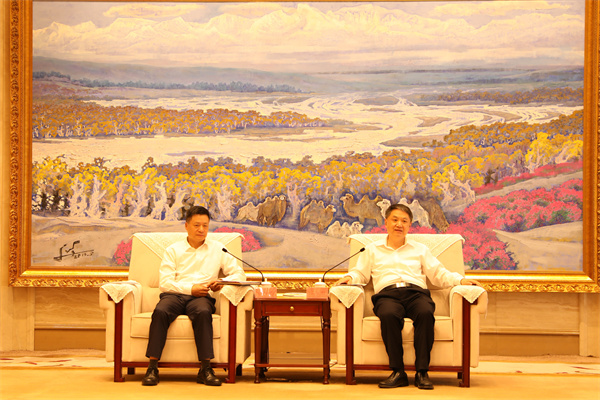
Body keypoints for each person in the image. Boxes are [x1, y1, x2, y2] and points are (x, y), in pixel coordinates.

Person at [335, 203, 481, 390]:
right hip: (387, 294)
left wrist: (461, 280)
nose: (399, 224)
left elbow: (439, 274)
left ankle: (422, 373)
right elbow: (360, 274)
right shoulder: (372, 249)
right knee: (388, 315)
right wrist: (350, 278)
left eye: (404, 221)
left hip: (416, 293)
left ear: (410, 225)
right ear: (386, 222)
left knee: (425, 313)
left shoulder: (419, 249)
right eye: (395, 220)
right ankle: (398, 372)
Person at [142, 205, 246, 386]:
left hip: (202, 297)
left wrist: (222, 282)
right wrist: (191, 289)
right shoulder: (173, 250)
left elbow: (239, 274)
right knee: (160, 311)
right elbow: (165, 283)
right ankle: (152, 368)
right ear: (186, 226)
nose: (201, 229)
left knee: (203, 313)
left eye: (205, 225)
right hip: (174, 295)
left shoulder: (218, 249)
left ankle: (205, 369)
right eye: (197, 225)